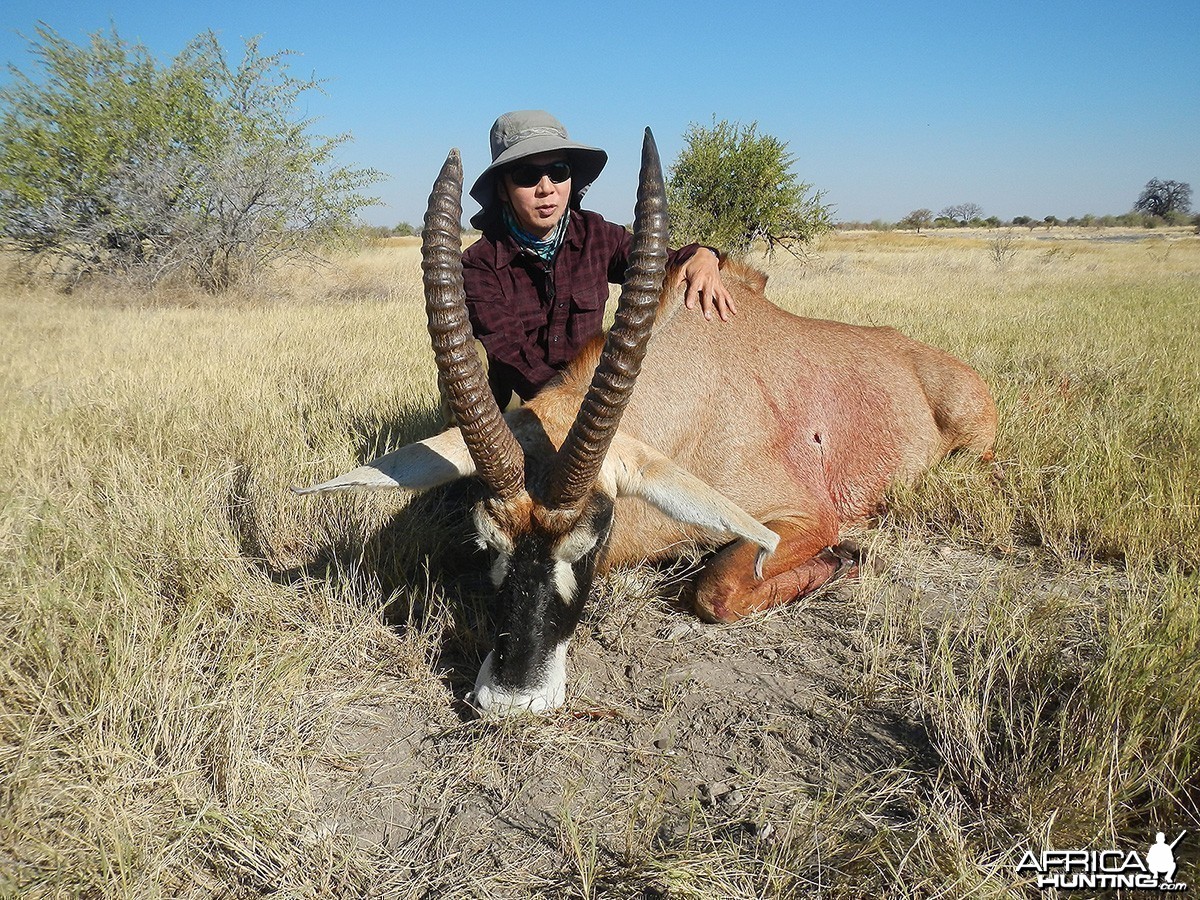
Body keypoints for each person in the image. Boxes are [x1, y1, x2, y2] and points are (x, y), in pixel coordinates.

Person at [461, 110, 735, 410]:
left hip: (588, 397)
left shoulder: (597, 234)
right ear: (502, 189)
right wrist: (575, 405)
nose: (546, 188)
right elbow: (511, 354)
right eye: (526, 176)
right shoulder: (479, 264)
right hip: (521, 398)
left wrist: (704, 255)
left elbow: (661, 264)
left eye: (558, 171)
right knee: (466, 362)